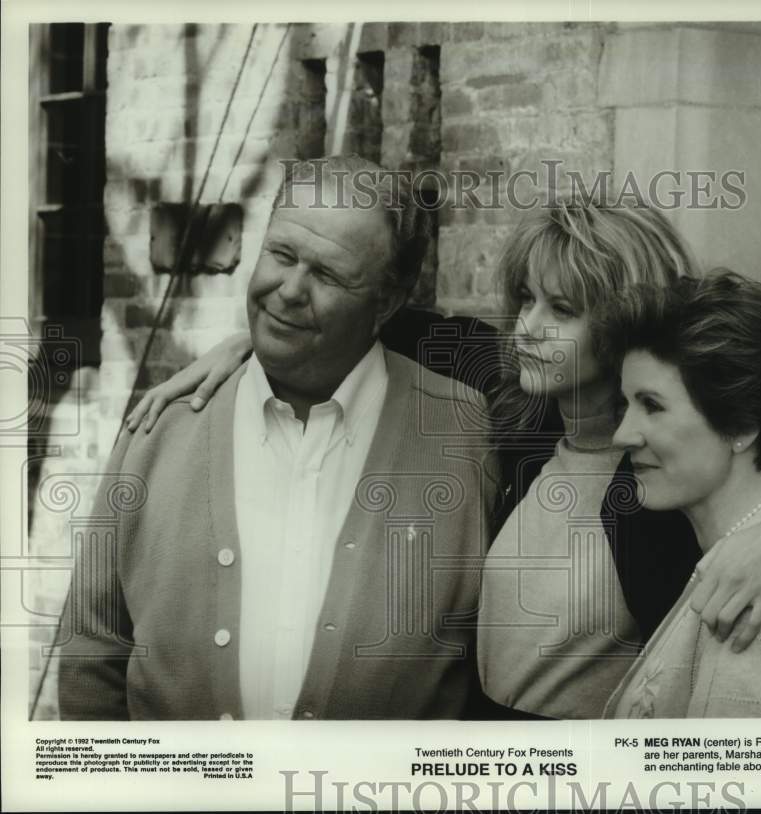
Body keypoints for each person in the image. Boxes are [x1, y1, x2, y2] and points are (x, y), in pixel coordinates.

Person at [123, 196, 761, 719]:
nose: (529, 325)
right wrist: (245, 345)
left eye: (563, 309)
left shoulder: (673, 469)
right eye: (526, 300)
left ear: (626, 324)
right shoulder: (520, 411)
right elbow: (378, 318)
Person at [56, 155, 495, 720]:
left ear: (386, 302)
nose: (288, 290)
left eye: (329, 275)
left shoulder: (465, 434)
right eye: (281, 254)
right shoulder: (159, 429)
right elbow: (93, 652)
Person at [601, 272, 761, 717]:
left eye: (652, 405)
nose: (623, 434)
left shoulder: (752, 613)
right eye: (625, 405)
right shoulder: (733, 573)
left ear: (741, 424)